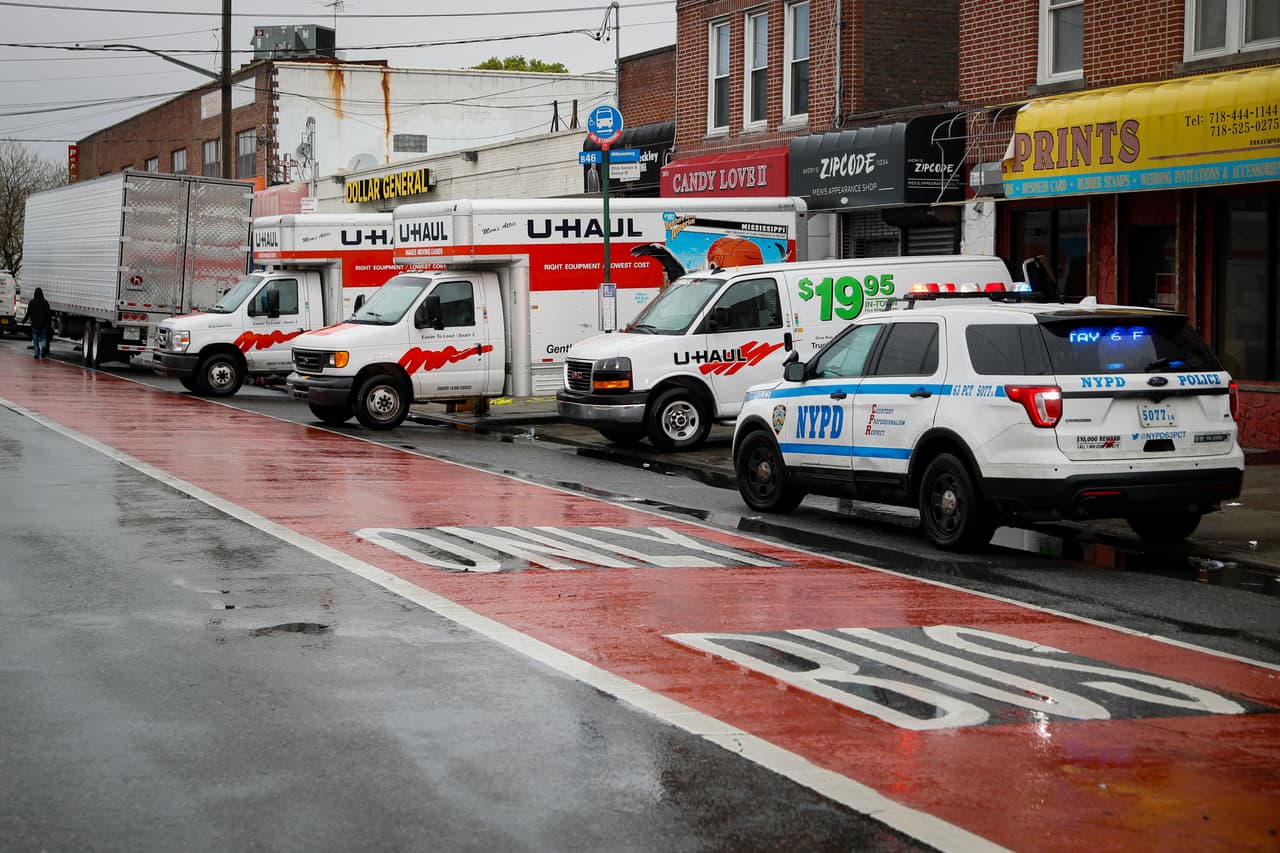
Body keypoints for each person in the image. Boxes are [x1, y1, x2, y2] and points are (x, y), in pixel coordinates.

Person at [23, 286, 51, 358]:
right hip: (43, 325)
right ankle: (43, 349)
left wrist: (24, 320)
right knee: (44, 338)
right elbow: (48, 314)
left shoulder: (32, 302)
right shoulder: (45, 303)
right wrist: (48, 324)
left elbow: (28, 313)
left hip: (35, 325)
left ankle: (36, 353)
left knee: (35, 339)